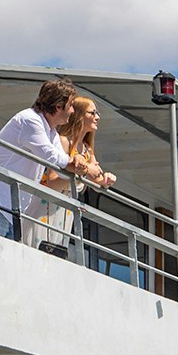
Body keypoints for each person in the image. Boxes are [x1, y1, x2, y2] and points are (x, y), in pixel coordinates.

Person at [0, 79, 104, 240]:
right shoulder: (30, 120)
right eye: (71, 105)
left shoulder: (50, 132)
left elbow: (63, 170)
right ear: (59, 106)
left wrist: (78, 164)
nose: (73, 111)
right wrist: (86, 168)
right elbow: (51, 156)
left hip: (10, 209)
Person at [39, 96, 116, 250]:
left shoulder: (87, 149)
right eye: (92, 113)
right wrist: (80, 175)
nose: (97, 117)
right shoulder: (63, 141)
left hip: (66, 208)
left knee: (57, 251)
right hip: (45, 205)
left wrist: (105, 180)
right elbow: (52, 181)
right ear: (79, 115)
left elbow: (95, 180)